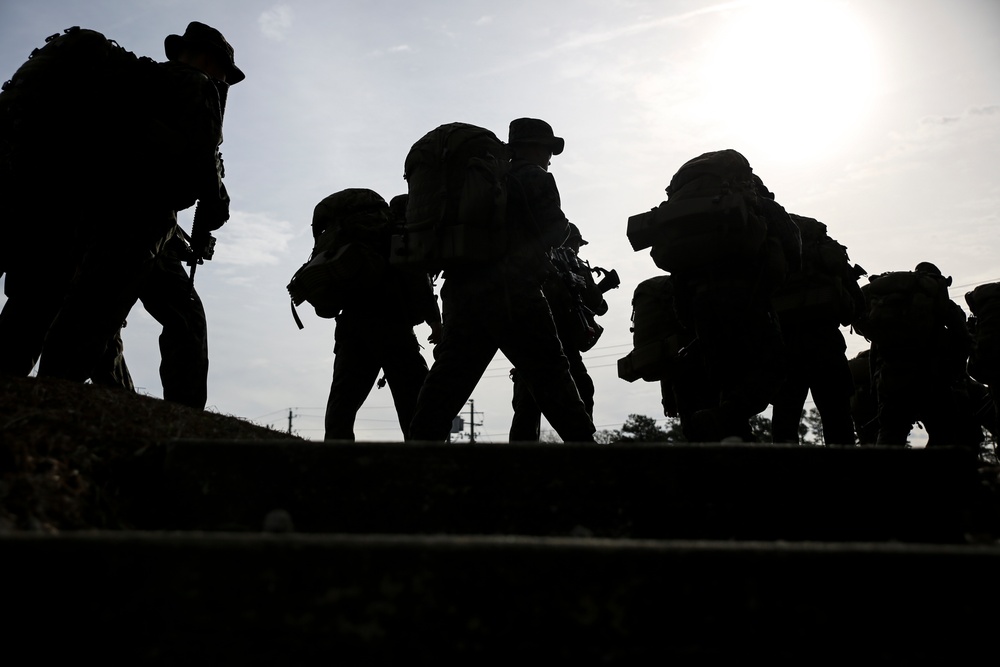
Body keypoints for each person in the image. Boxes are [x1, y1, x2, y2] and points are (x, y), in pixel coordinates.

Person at [33, 22, 239, 389]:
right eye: (224, 72)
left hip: (107, 211)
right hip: (140, 217)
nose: (224, 81)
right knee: (98, 311)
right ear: (210, 59)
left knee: (108, 308)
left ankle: (113, 399)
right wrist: (216, 207)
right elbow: (201, 158)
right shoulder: (197, 84)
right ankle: (54, 392)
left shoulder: (138, 81)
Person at [408, 118, 596, 443]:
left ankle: (417, 454)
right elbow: (556, 230)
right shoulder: (533, 177)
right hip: (516, 295)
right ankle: (589, 456)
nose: (550, 157)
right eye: (548, 149)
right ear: (535, 147)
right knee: (553, 377)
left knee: (448, 381)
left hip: (462, 291)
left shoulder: (484, 176)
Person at [663, 156, 799, 442]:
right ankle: (724, 418)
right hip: (747, 298)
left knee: (724, 378)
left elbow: (677, 275)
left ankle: (728, 437)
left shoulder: (691, 220)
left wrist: (692, 318)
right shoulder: (761, 206)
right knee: (773, 368)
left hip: (701, 307)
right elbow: (792, 246)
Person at [322, 191, 442, 441]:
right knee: (415, 400)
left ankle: (333, 462)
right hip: (394, 330)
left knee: (343, 401)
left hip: (352, 329)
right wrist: (436, 322)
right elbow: (418, 282)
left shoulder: (363, 238)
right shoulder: (402, 236)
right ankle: (422, 461)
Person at [858, 262, 983, 449]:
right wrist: (953, 372)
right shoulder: (941, 304)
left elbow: (875, 350)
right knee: (944, 434)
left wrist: (876, 385)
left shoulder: (892, 308)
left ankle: (881, 476)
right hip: (932, 379)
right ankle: (930, 477)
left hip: (891, 379)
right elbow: (963, 339)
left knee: (890, 434)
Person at [770, 214, 865, 445]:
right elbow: (857, 307)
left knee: (785, 420)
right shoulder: (824, 254)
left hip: (784, 347)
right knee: (837, 418)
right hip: (826, 344)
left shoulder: (772, 254)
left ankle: (784, 476)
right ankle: (841, 477)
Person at [509, 222, 608, 441]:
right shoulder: (562, 265)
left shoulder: (540, 260)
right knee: (573, 392)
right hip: (550, 340)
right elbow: (598, 304)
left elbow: (593, 303)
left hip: (544, 340)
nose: (578, 250)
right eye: (576, 244)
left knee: (532, 402)